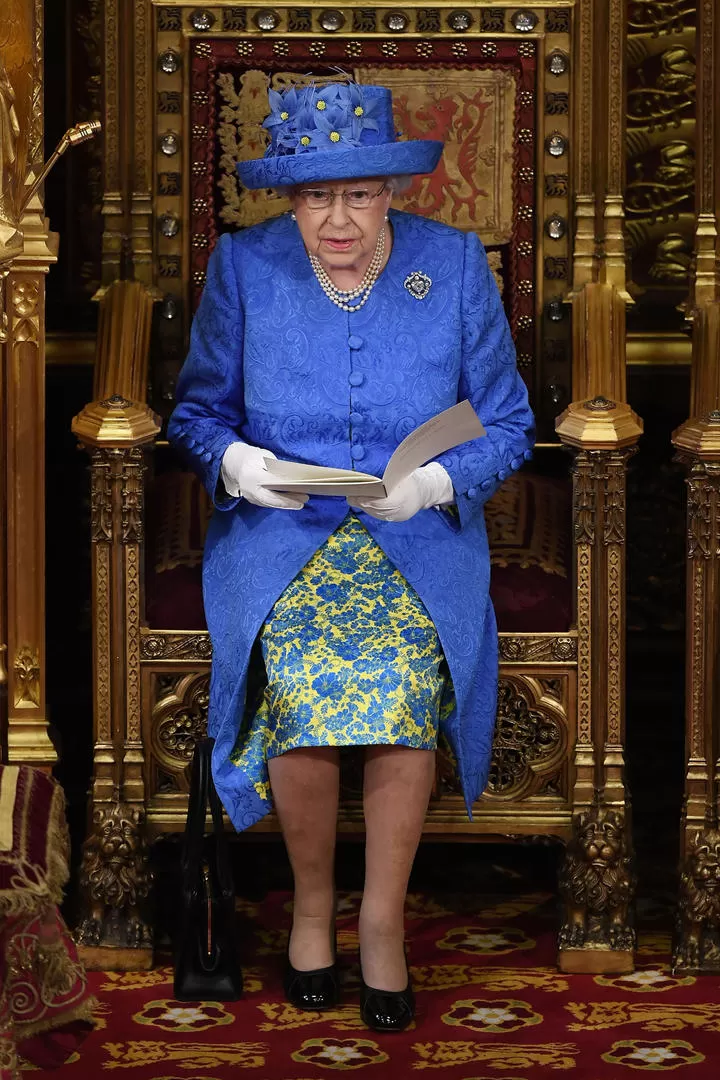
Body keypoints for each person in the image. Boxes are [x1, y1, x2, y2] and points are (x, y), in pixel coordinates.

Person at [168, 80, 534, 1032]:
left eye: (360, 194)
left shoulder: (451, 266)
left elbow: (509, 423)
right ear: (289, 201)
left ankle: (381, 924)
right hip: (282, 538)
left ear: (391, 194)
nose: (339, 218)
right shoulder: (244, 268)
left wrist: (436, 484)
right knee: (295, 674)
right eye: (317, 198)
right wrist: (240, 465)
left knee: (409, 674)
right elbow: (198, 414)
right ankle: (310, 910)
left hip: (417, 536)